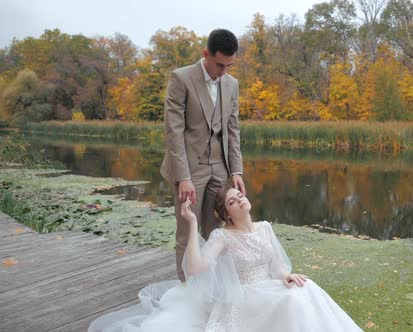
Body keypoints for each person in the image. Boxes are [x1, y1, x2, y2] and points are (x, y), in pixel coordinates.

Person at [88, 181, 362, 332]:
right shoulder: (223, 237)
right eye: (232, 201)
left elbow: (277, 266)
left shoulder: (265, 228)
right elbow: (195, 269)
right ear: (227, 213)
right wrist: (193, 224)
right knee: (292, 303)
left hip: (269, 288)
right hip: (243, 298)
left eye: (239, 195)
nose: (240, 200)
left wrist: (286, 276)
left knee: (305, 288)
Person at [159, 28, 246, 282]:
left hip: (221, 168)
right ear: (206, 54)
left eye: (229, 65)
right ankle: (187, 296)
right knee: (188, 235)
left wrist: (236, 170)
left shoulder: (232, 84)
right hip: (190, 169)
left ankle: (212, 292)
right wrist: (182, 176)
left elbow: (233, 129)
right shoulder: (181, 78)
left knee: (215, 233)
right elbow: (173, 132)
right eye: (220, 64)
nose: (224, 71)